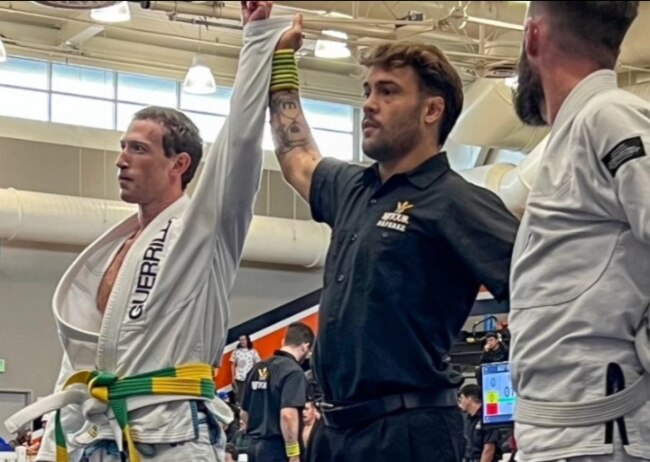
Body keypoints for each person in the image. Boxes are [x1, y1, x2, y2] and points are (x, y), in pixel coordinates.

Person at [4, 3, 296, 461]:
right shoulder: (114, 249)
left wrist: (257, 43)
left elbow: (237, 148)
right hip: (96, 436)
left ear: (179, 164)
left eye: (138, 149)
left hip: (172, 436)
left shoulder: (203, 231)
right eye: (123, 147)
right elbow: (85, 359)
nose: (121, 159)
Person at [267, 16, 519, 462]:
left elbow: (539, 285)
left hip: (407, 434)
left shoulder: (456, 202)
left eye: (388, 91)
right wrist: (280, 60)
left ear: (431, 110)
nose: (369, 104)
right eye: (367, 91)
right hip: (334, 432)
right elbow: (297, 157)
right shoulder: (353, 189)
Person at [508, 2, 650, 461]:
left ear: (533, 37)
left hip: (601, 436)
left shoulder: (609, 116)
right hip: (568, 437)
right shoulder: (578, 133)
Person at [240, 322, 314, 462]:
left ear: (283, 341)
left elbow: (244, 413)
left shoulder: (256, 368)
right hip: (276, 449)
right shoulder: (293, 372)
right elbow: (288, 415)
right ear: (305, 346)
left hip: (253, 447)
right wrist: (293, 454)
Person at [457, 385, 501, 462]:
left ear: (469, 399)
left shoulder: (487, 419)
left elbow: (489, 449)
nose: (460, 403)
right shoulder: (465, 419)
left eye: (462, 398)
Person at [231, 334, 261, 404]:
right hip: (238, 378)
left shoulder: (253, 352)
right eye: (240, 340)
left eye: (243, 340)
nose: (242, 341)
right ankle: (239, 411)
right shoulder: (236, 352)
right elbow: (233, 365)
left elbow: (258, 363)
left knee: (249, 396)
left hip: (249, 378)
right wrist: (232, 377)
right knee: (238, 397)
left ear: (247, 340)